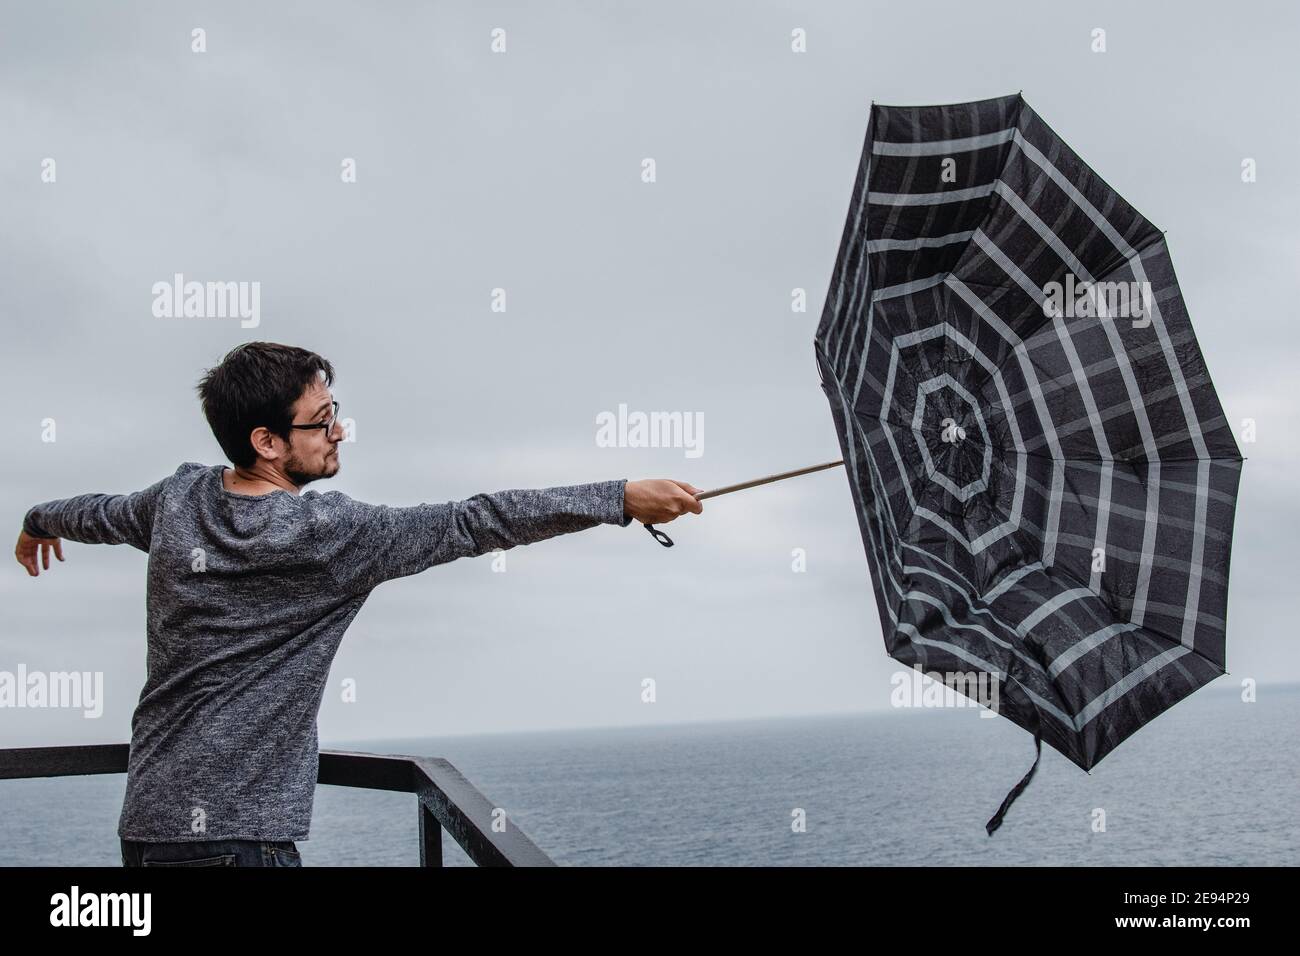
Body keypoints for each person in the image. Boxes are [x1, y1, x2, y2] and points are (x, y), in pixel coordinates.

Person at [14, 341, 702, 867]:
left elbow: (94, 512)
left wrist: (38, 519)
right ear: (267, 443)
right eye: (321, 422)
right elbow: (476, 520)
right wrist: (617, 498)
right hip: (240, 840)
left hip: (148, 829)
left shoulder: (175, 501)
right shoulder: (330, 536)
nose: (339, 431)